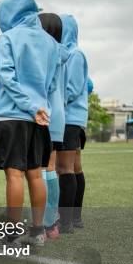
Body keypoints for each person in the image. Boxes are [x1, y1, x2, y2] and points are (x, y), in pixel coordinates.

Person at [0, 0, 59, 246]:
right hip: (40, 118)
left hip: (12, 115)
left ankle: (11, 234)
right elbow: (52, 85)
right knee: (35, 174)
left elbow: (8, 77)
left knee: (15, 175)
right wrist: (41, 109)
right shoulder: (52, 44)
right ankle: (38, 231)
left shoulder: (8, 38)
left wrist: (30, 107)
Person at [56, 14, 89, 233]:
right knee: (74, 167)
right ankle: (74, 218)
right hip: (73, 118)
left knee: (64, 168)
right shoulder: (69, 54)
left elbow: (73, 88)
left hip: (70, 119)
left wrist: (54, 103)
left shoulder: (75, 55)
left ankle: (66, 221)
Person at [38, 13, 69, 239]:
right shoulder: (65, 53)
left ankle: (44, 222)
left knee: (41, 169)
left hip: (44, 111)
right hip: (60, 113)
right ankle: (53, 223)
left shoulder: (44, 52)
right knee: (52, 167)